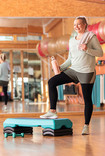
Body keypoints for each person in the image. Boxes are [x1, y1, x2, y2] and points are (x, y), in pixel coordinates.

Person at [40, 16, 103, 135]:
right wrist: (61, 68)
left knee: (87, 99)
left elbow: (100, 53)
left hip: (86, 71)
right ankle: (53, 111)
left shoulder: (91, 37)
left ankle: (86, 126)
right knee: (52, 82)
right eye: (75, 25)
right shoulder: (72, 40)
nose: (76, 27)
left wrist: (87, 49)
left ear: (85, 25)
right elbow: (70, 59)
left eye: (79, 24)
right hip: (73, 70)